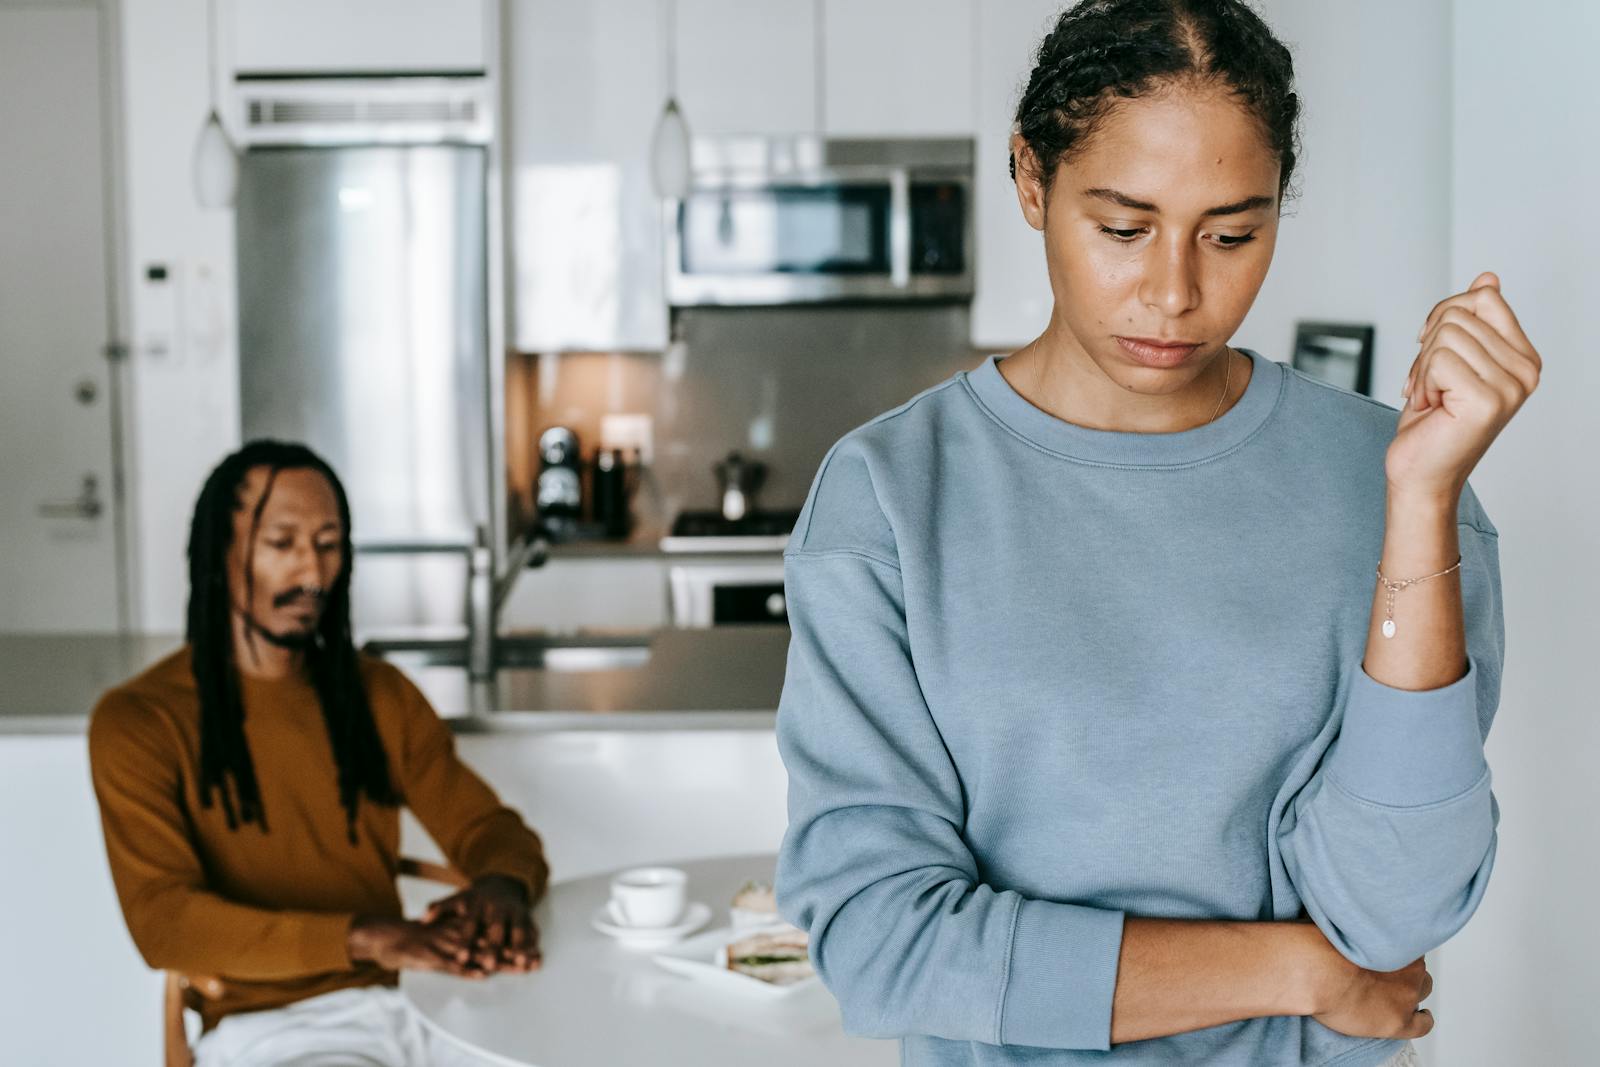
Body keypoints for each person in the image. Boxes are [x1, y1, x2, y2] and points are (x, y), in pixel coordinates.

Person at [772, 2, 1540, 1066]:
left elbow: (1392, 910)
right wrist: (1300, 971)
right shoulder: (892, 496)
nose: (1176, 291)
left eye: (1232, 233)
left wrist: (1415, 506)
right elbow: (883, 943)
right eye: (1123, 228)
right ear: (1030, 179)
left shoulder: (1399, 481)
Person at [88, 440, 551, 1067]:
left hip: (421, 1001)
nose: (312, 573)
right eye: (282, 544)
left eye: (329, 545)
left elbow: (488, 828)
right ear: (218, 554)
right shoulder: (141, 721)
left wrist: (500, 887)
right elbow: (165, 922)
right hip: (278, 1027)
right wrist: (365, 938)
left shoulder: (376, 695)